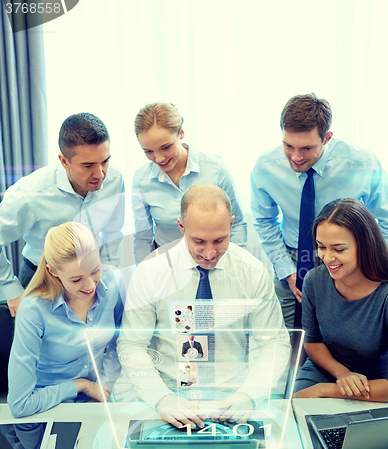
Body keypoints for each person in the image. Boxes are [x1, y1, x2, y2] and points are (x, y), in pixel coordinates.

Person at [117, 185, 290, 429]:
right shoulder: (151, 271)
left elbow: (274, 342)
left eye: (219, 240)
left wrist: (250, 394)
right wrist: (161, 398)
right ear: (181, 227)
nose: (209, 253)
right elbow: (132, 345)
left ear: (231, 225)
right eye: (198, 241)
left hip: (232, 395)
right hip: (168, 390)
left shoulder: (252, 271)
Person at [251, 94, 388, 329]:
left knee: (344, 336)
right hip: (292, 257)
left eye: (306, 148)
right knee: (284, 337)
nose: (295, 157)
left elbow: (384, 218)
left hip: (348, 258)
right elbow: (265, 221)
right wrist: (287, 270)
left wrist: (369, 263)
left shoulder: (361, 163)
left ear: (327, 138)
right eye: (288, 146)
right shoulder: (266, 166)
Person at [0, 112, 125, 317]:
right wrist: (12, 291)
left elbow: (113, 232)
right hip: (43, 281)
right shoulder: (30, 193)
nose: (100, 174)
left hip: (92, 278)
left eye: (105, 161)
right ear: (64, 161)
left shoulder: (115, 179)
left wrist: (108, 276)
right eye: (88, 165)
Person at [7, 222, 123, 418]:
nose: (90, 286)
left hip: (97, 402)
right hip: (46, 407)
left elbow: (118, 342)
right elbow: (20, 405)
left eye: (95, 270)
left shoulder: (113, 283)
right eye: (76, 279)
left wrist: (103, 385)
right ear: (52, 271)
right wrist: (81, 386)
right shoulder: (34, 309)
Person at [293, 199, 388, 401]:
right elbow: (313, 342)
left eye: (338, 249)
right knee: (295, 415)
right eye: (321, 247)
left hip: (380, 380)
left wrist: (326, 390)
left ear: (365, 245)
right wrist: (342, 374)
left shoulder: (385, 293)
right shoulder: (314, 281)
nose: (327, 258)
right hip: (326, 367)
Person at [132, 103, 247, 263]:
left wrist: (235, 266)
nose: (158, 158)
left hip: (216, 262)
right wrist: (143, 275)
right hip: (169, 267)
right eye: (148, 151)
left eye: (165, 147)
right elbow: (143, 238)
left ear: (181, 133)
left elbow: (237, 223)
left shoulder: (215, 168)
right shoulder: (141, 180)